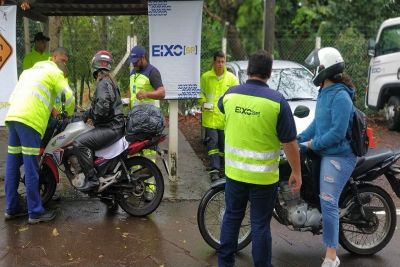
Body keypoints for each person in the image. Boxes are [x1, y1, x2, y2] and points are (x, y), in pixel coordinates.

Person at [218, 50, 302, 267]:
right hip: (263, 180)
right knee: (260, 225)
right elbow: (290, 143)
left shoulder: (229, 95)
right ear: (269, 73)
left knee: (232, 218)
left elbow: (221, 108)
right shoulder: (277, 102)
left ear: (248, 70)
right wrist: (296, 172)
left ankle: (224, 263)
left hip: (235, 174)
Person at [297, 47, 357, 267]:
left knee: (328, 201)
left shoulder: (341, 96)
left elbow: (337, 133)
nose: (315, 70)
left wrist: (314, 144)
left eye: (318, 67)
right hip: (326, 151)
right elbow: (317, 124)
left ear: (326, 69)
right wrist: (297, 139)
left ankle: (332, 256)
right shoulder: (324, 92)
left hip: (339, 155)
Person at [4, 47, 71, 224]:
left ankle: (11, 209)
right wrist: (69, 113)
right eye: (63, 60)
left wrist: (52, 109)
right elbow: (69, 96)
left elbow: (33, 95)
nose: (64, 63)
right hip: (30, 121)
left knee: (12, 164)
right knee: (31, 165)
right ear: (56, 59)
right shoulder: (56, 73)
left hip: (13, 117)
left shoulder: (32, 69)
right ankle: (35, 212)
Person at [72, 50, 125, 192]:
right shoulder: (109, 81)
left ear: (95, 67)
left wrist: (93, 117)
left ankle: (92, 179)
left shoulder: (103, 83)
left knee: (79, 143)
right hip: (114, 126)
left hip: (111, 128)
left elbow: (102, 109)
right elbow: (100, 105)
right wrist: (86, 114)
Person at [128, 45, 166, 201]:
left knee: (149, 157)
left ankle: (149, 190)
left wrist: (147, 93)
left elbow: (162, 93)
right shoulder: (132, 73)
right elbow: (131, 92)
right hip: (135, 121)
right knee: (134, 154)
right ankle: (135, 186)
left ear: (143, 58)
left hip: (149, 122)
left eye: (136, 61)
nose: (134, 64)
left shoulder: (152, 71)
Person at [199, 51, 238, 182]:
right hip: (210, 118)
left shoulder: (231, 78)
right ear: (214, 62)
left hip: (225, 118)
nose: (220, 64)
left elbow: (236, 96)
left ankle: (222, 168)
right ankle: (214, 169)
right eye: (218, 62)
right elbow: (201, 93)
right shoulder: (206, 77)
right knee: (212, 143)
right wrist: (203, 103)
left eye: (223, 61)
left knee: (222, 145)